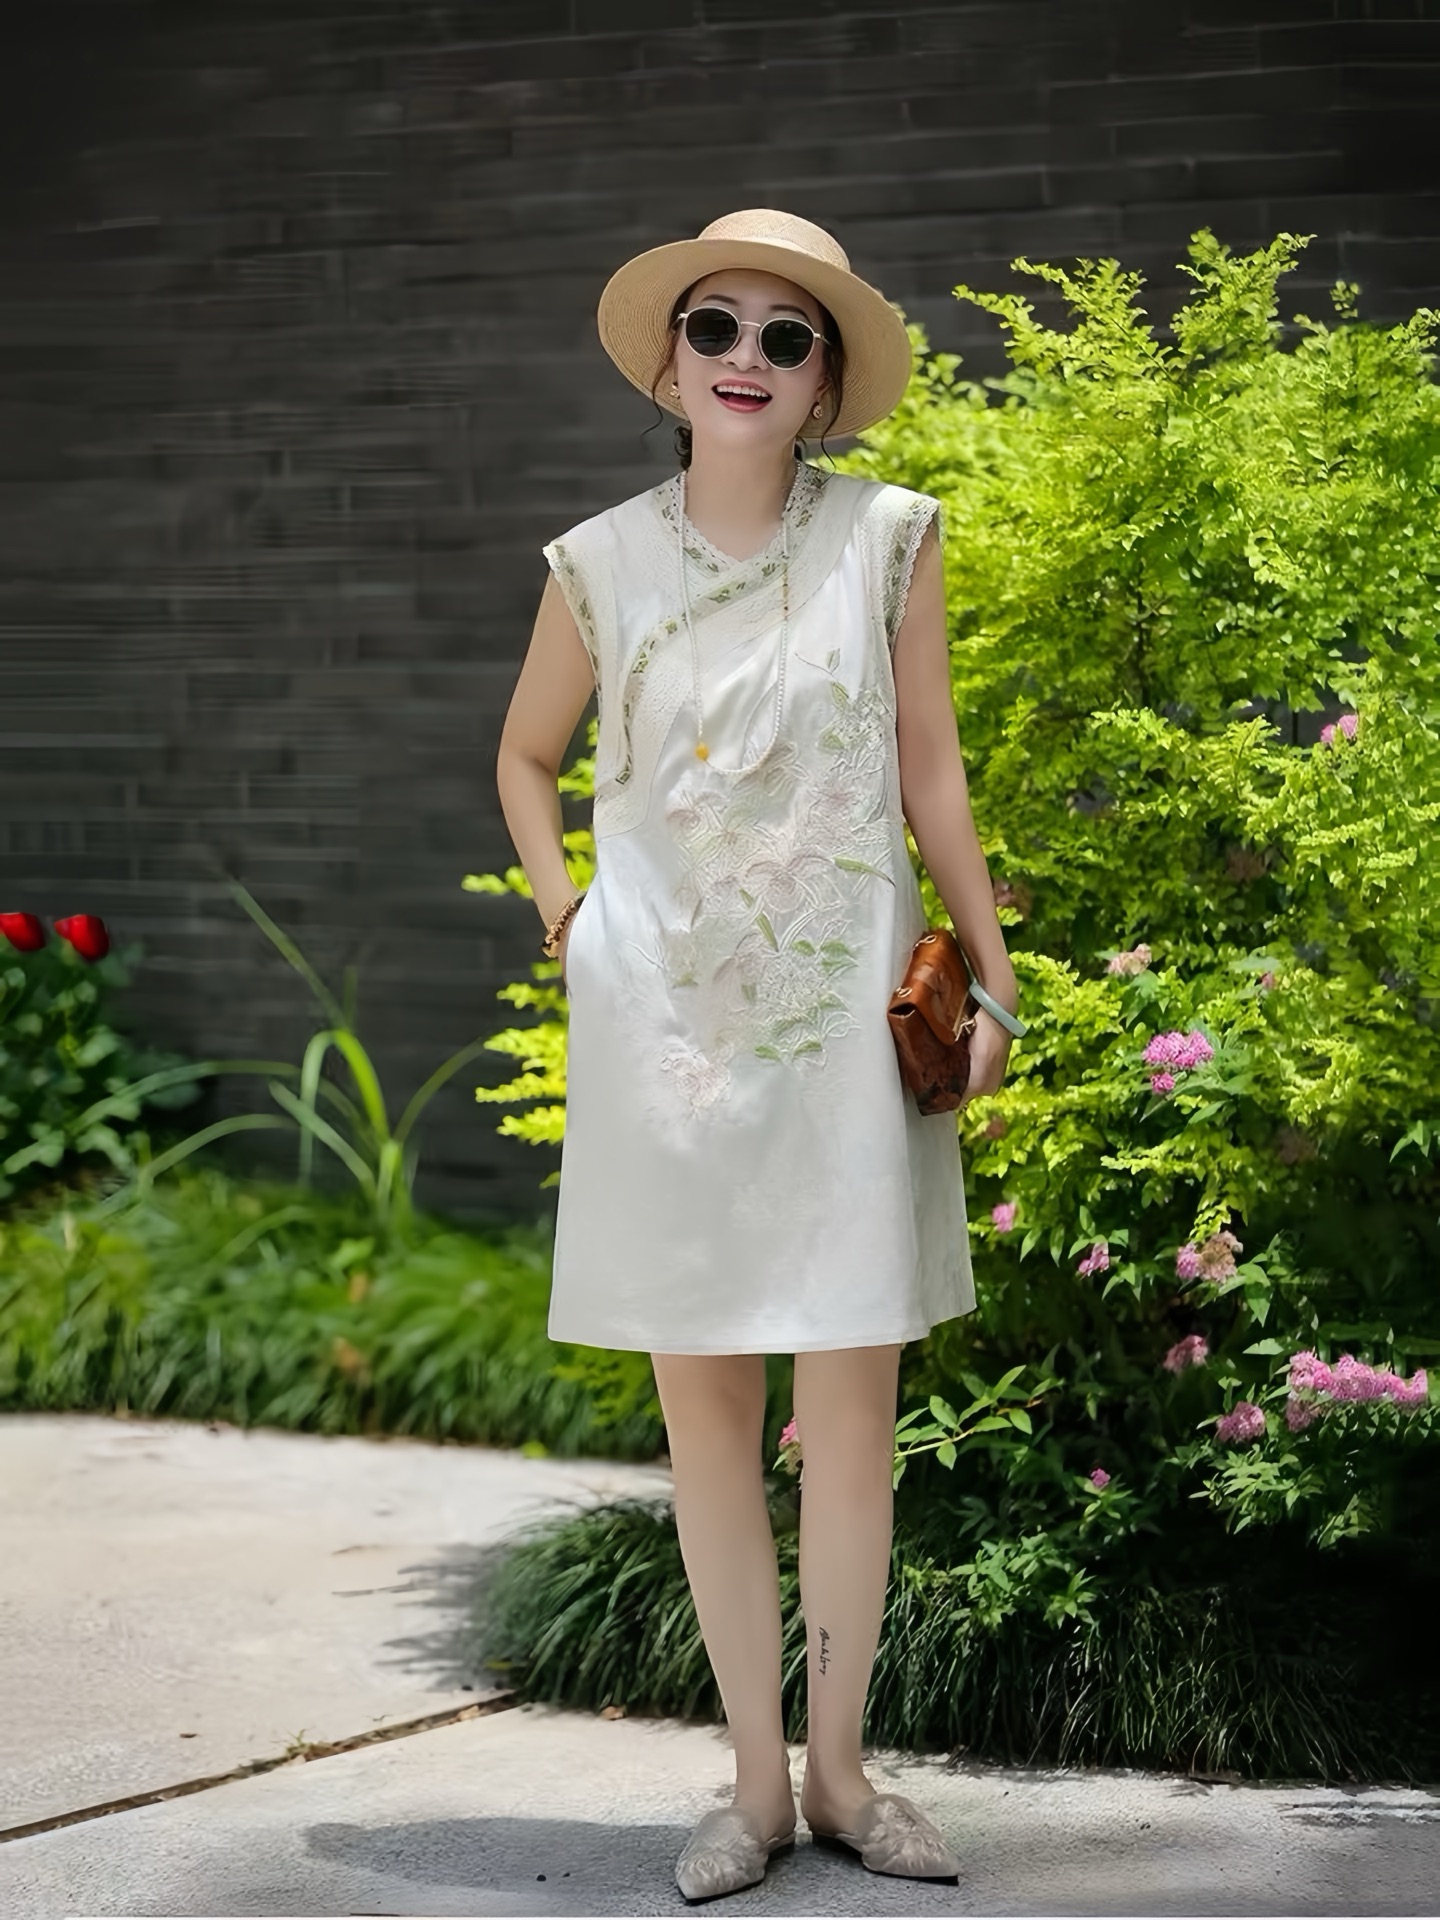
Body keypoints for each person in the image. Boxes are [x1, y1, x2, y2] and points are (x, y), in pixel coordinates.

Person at [496, 208, 1023, 1904]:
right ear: (669, 362)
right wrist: (570, 917)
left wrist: (995, 976)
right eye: (714, 326)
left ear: (825, 382)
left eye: (786, 336)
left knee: (851, 1423)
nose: (745, 355)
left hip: (843, 1035)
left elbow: (932, 769)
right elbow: (523, 758)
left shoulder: (891, 538)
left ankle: (846, 1773)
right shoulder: (596, 562)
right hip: (664, 1041)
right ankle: (749, 1786)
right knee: (706, 1421)